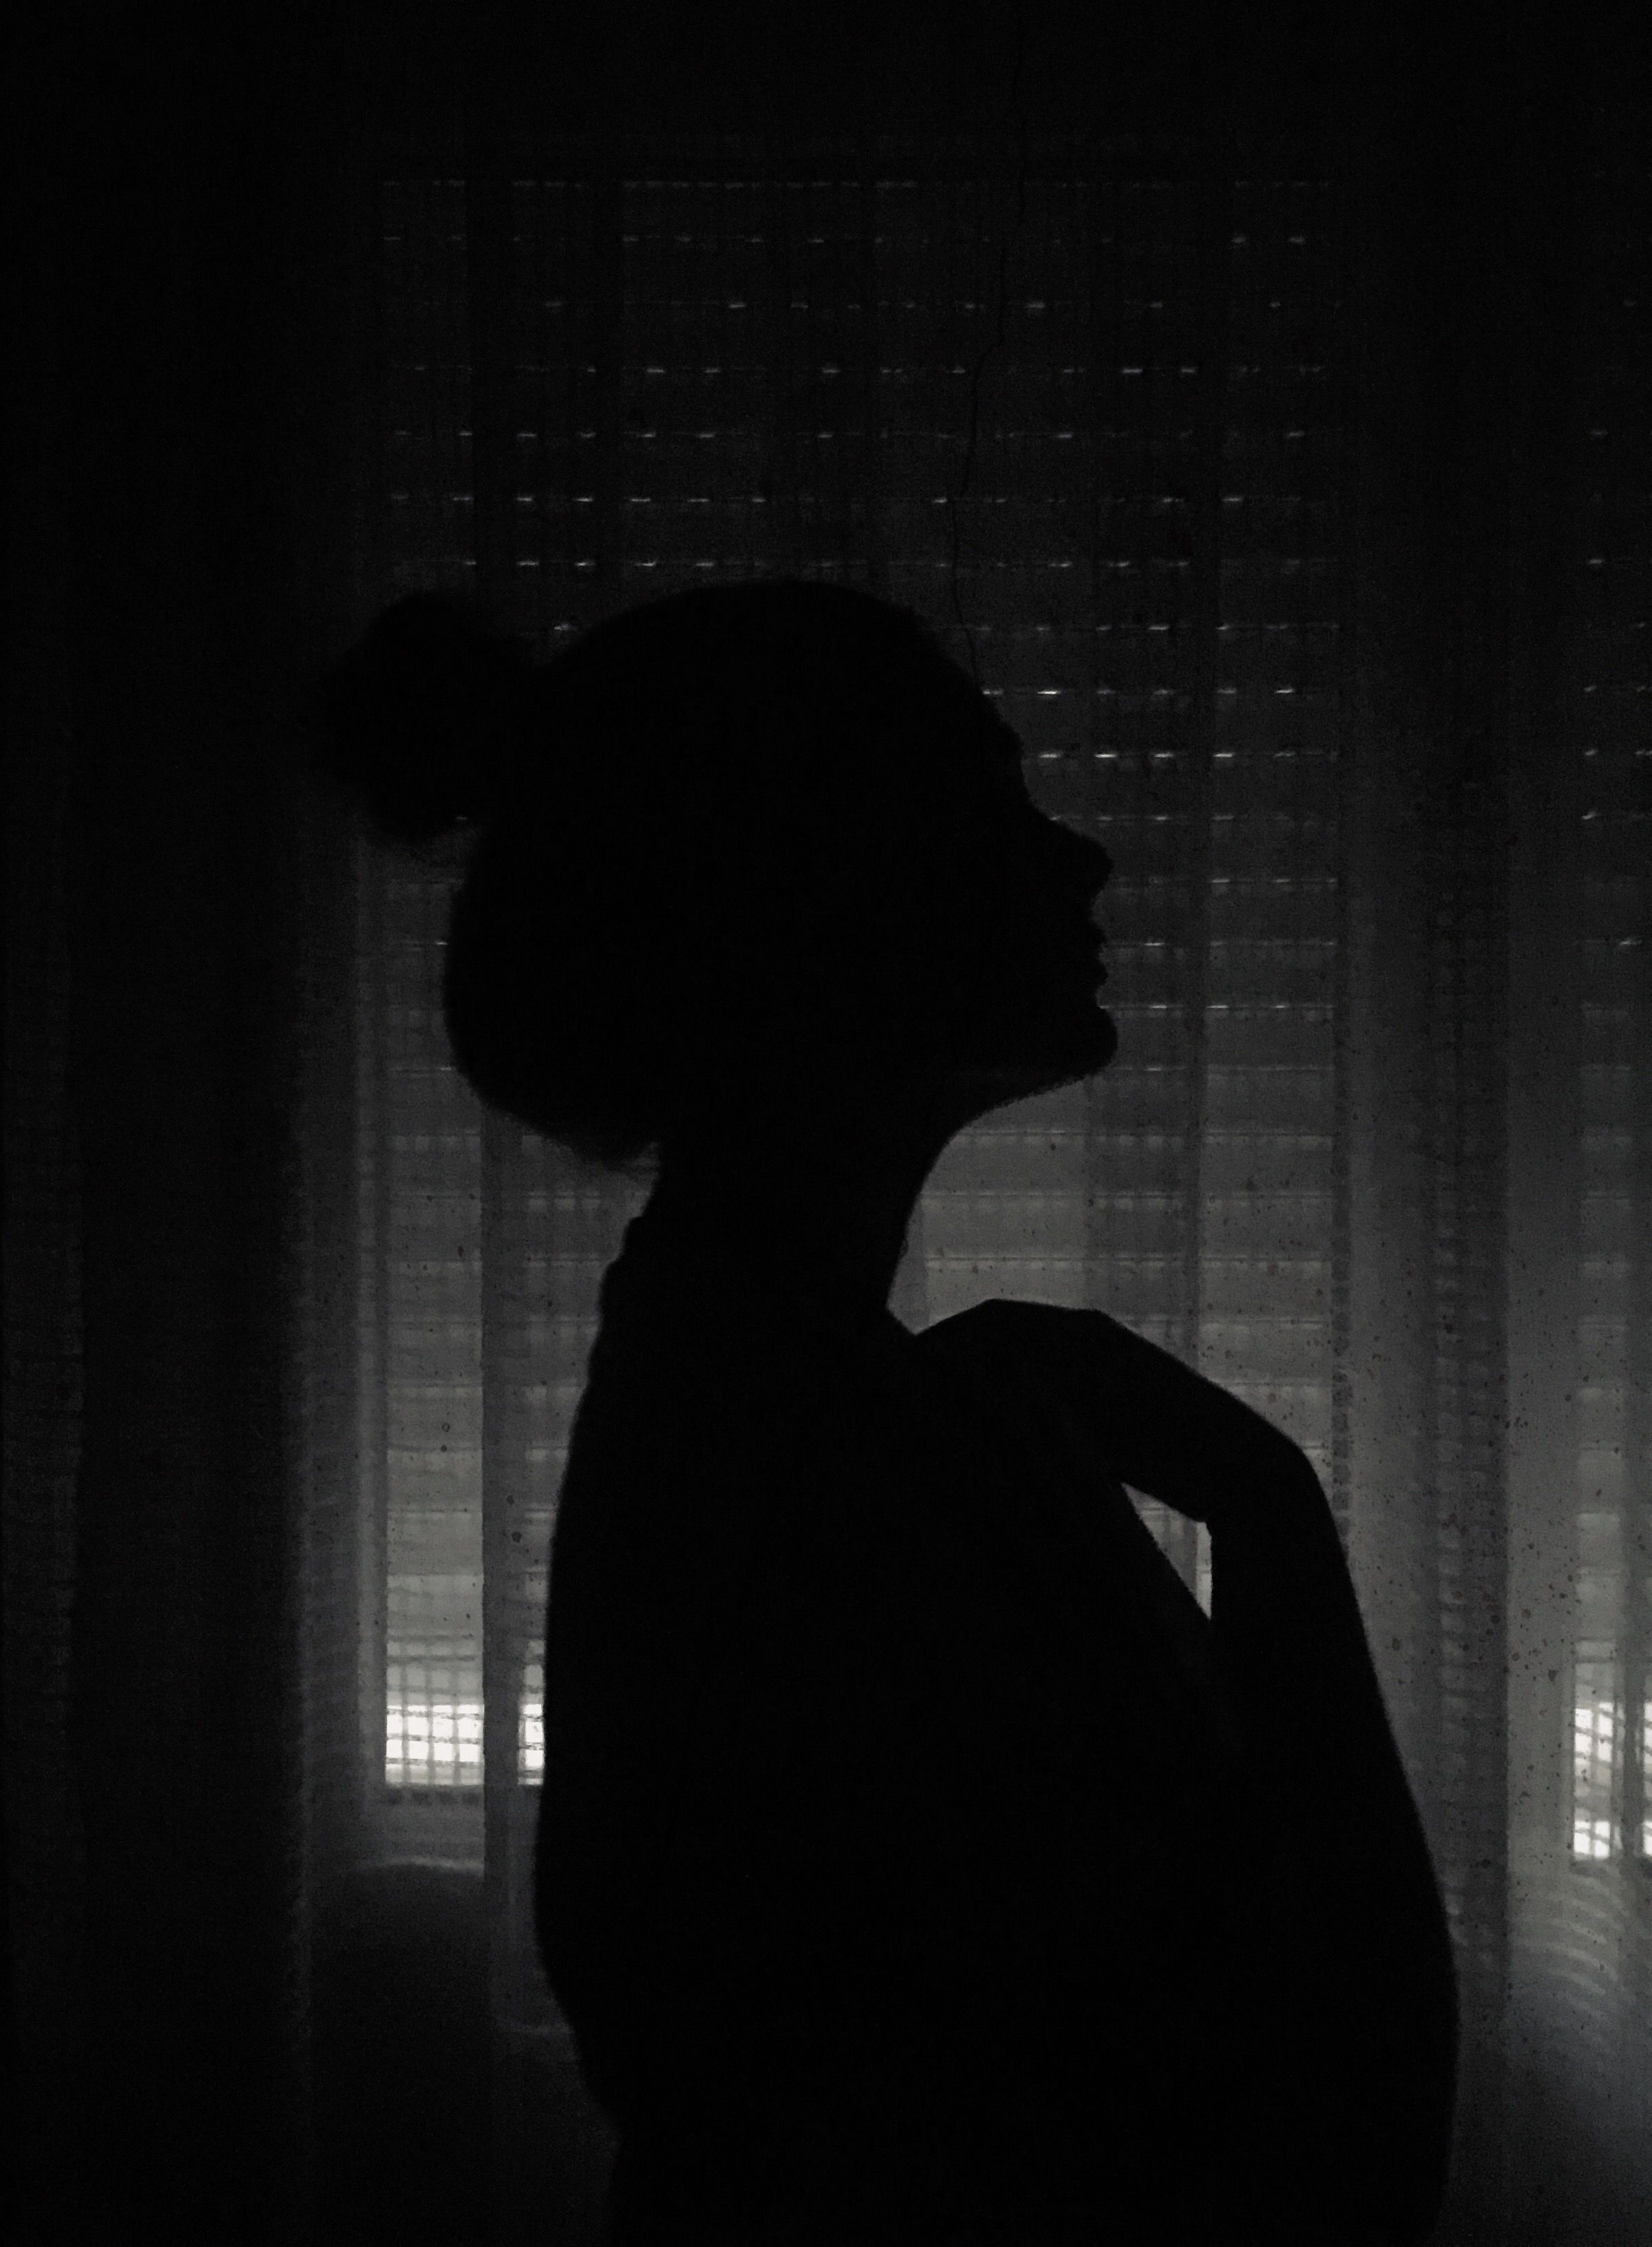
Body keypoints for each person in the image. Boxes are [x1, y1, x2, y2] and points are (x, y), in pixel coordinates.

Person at [310, 579, 1459, 2244]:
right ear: (818, 898)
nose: (1083, 861)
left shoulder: (788, 1389)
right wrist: (1267, 1506)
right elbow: (1321, 2108)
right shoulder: (804, 1461)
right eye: (993, 806)